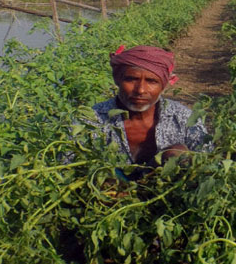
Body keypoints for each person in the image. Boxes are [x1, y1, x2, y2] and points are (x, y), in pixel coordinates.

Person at [89, 45, 210, 176]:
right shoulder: (93, 119)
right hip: (105, 192)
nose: (140, 90)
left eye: (151, 81)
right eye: (131, 79)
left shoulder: (183, 118)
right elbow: (67, 164)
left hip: (169, 192)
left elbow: (207, 162)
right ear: (117, 79)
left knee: (177, 152)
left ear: (163, 85)